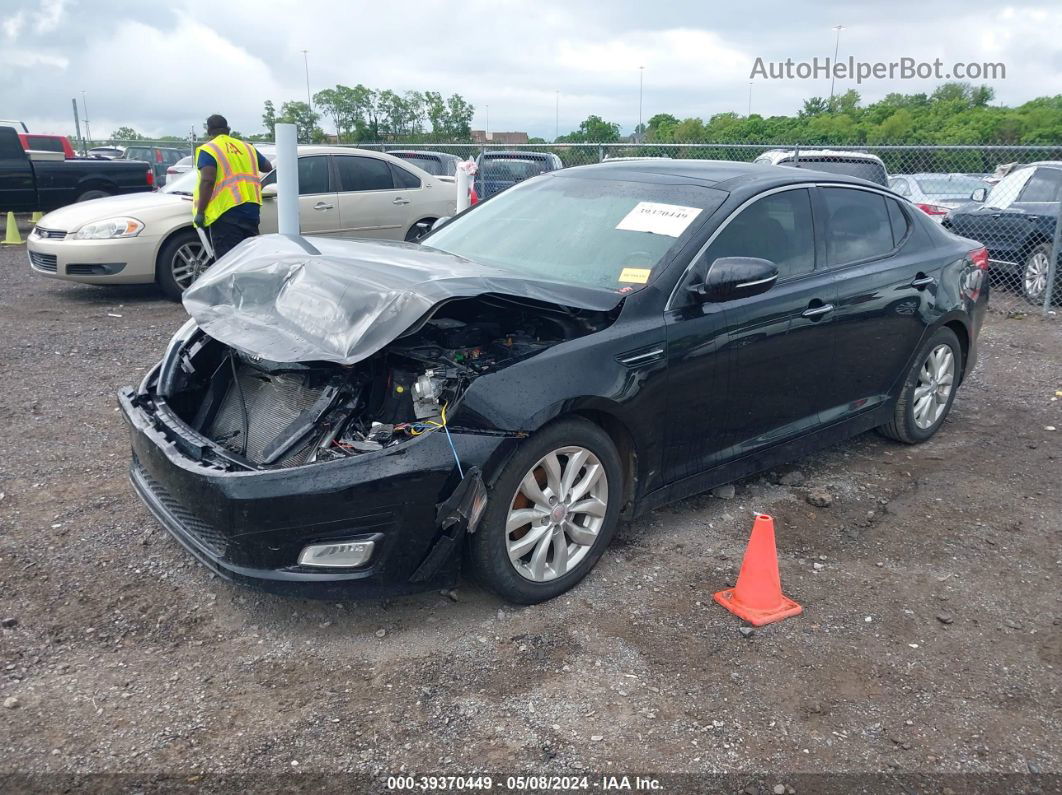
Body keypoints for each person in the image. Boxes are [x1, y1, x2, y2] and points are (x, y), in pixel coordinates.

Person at [193, 114, 273, 260]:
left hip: (225, 213)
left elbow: (208, 181)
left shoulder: (209, 149)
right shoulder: (247, 147)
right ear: (228, 129)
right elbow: (267, 166)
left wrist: (200, 212)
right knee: (247, 259)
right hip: (251, 211)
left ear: (209, 131)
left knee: (228, 262)